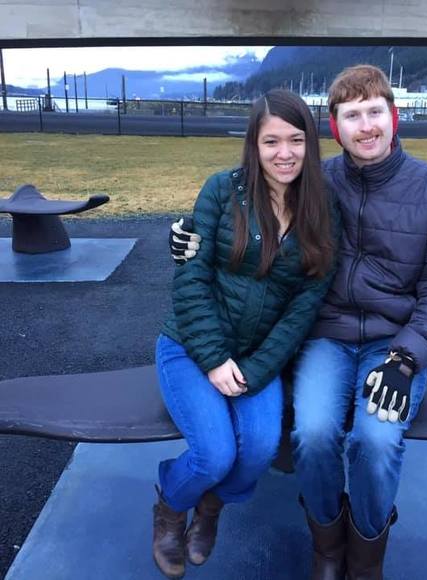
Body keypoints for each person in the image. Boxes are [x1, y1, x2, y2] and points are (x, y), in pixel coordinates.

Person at [170, 65, 427, 580]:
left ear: (394, 117)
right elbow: (248, 218)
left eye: (374, 112)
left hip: (393, 344)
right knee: (312, 434)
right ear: (335, 127)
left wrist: (406, 359)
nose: (366, 126)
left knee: (376, 440)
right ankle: (327, 545)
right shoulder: (316, 182)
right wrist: (187, 235)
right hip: (325, 337)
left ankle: (366, 557)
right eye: (352, 116)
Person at [155, 88, 338, 579]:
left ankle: (209, 509)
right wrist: (214, 359)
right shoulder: (222, 190)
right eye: (271, 141)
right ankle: (170, 508)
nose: (285, 153)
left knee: (257, 450)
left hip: (258, 356)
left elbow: (304, 307)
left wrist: (257, 369)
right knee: (213, 455)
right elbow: (190, 281)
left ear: (310, 143)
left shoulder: (323, 208)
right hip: (190, 347)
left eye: (296, 140)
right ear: (254, 145)